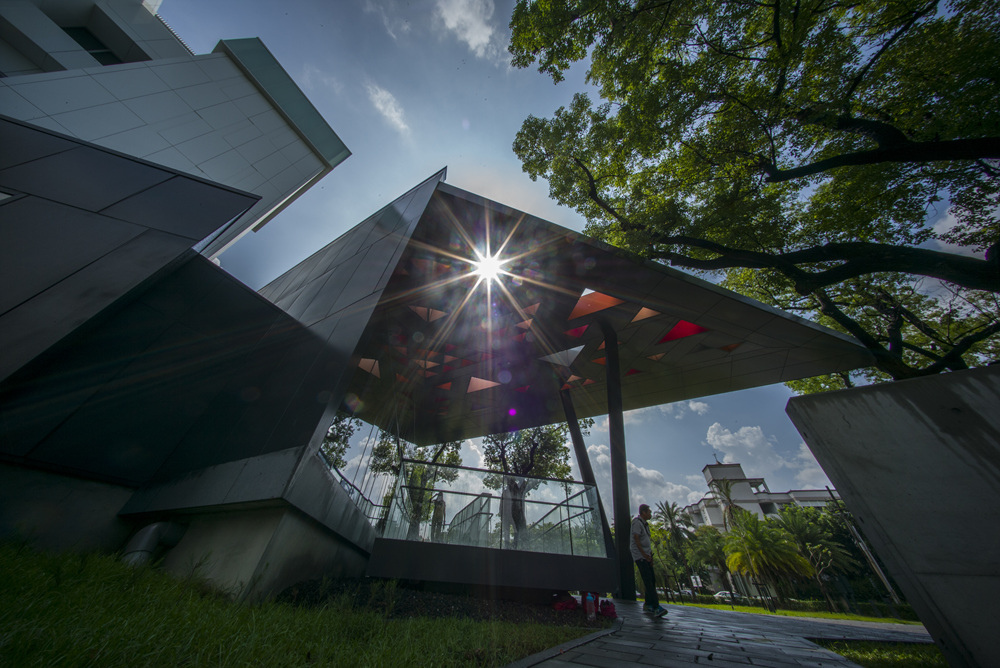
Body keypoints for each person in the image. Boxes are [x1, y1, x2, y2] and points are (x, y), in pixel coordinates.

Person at [631, 503, 667, 617]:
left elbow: (646, 541)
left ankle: (648, 604)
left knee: (651, 580)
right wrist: (643, 554)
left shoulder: (645, 524)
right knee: (648, 581)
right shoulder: (637, 523)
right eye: (649, 512)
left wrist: (649, 555)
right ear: (643, 513)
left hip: (646, 556)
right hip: (640, 557)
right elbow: (636, 539)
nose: (651, 514)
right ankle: (656, 607)